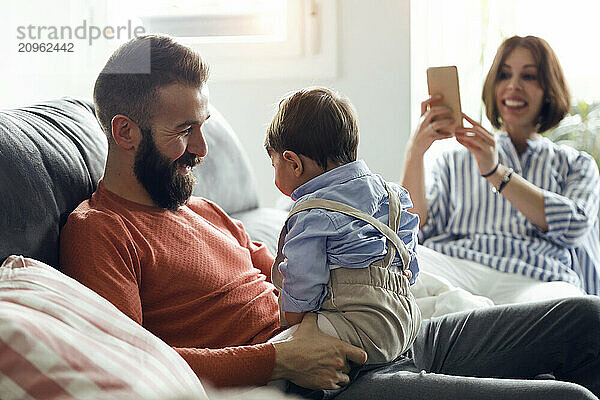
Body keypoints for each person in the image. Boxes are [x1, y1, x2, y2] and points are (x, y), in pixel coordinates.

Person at [60, 34, 600, 399]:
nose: (203, 148)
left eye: (202, 126)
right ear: (125, 132)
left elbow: (290, 271)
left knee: (587, 319)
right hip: (332, 381)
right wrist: (277, 361)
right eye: (183, 132)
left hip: (377, 335)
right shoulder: (101, 231)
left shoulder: (202, 209)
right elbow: (133, 362)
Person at [402, 35, 600, 304]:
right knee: (397, 273)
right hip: (459, 266)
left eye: (528, 77)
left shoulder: (577, 164)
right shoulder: (454, 161)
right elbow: (412, 228)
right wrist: (415, 152)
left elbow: (574, 225)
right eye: (504, 75)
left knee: (574, 306)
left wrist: (496, 172)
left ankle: (469, 313)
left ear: (549, 90)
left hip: (536, 276)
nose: (514, 86)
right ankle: (471, 311)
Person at [264, 87, 421, 366]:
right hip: (406, 317)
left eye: (274, 164)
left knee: (276, 355)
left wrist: (295, 322)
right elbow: (409, 256)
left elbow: (304, 279)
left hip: (358, 323)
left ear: (292, 163)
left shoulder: (312, 212)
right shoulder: (392, 193)